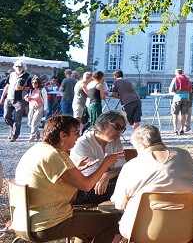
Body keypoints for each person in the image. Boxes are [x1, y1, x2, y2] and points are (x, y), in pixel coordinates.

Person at [13, 115, 122, 243]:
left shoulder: (37, 149)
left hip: (25, 221)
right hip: (46, 223)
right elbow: (86, 186)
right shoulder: (54, 155)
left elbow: (51, 179)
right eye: (76, 132)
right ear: (62, 135)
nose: (78, 136)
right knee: (110, 221)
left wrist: (77, 170)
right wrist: (105, 164)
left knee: (97, 219)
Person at [111, 125, 193, 243]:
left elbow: (119, 205)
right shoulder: (184, 154)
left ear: (140, 146)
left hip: (145, 230)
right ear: (159, 139)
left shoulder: (131, 166)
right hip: (192, 224)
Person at [69, 110, 127, 205]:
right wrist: (107, 173)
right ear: (103, 124)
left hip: (107, 183)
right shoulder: (83, 143)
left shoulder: (115, 141)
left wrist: (108, 175)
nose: (119, 131)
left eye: (122, 129)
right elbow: (94, 176)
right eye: (117, 127)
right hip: (85, 188)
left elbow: (122, 168)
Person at [3, 59, 32, 142]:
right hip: (9, 98)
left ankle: (14, 136)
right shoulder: (12, 75)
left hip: (20, 100)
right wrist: (2, 97)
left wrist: (22, 88)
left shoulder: (27, 76)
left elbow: (30, 87)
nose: (18, 67)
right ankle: (13, 127)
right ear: (14, 67)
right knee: (6, 116)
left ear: (24, 67)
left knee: (17, 118)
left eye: (20, 66)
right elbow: (7, 86)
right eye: (17, 66)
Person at [169, 68, 192, 135]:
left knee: (175, 114)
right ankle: (182, 129)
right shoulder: (187, 79)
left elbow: (171, 90)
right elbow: (190, 90)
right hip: (186, 98)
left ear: (176, 73)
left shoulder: (175, 79)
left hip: (177, 98)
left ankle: (175, 129)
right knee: (183, 114)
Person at [25, 77, 46, 141]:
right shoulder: (31, 90)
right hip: (32, 107)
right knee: (29, 122)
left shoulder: (42, 90)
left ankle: (32, 136)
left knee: (34, 122)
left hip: (40, 107)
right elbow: (28, 99)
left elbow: (45, 100)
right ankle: (38, 132)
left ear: (39, 83)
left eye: (35, 83)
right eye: (32, 83)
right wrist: (27, 98)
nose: (34, 84)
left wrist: (45, 110)